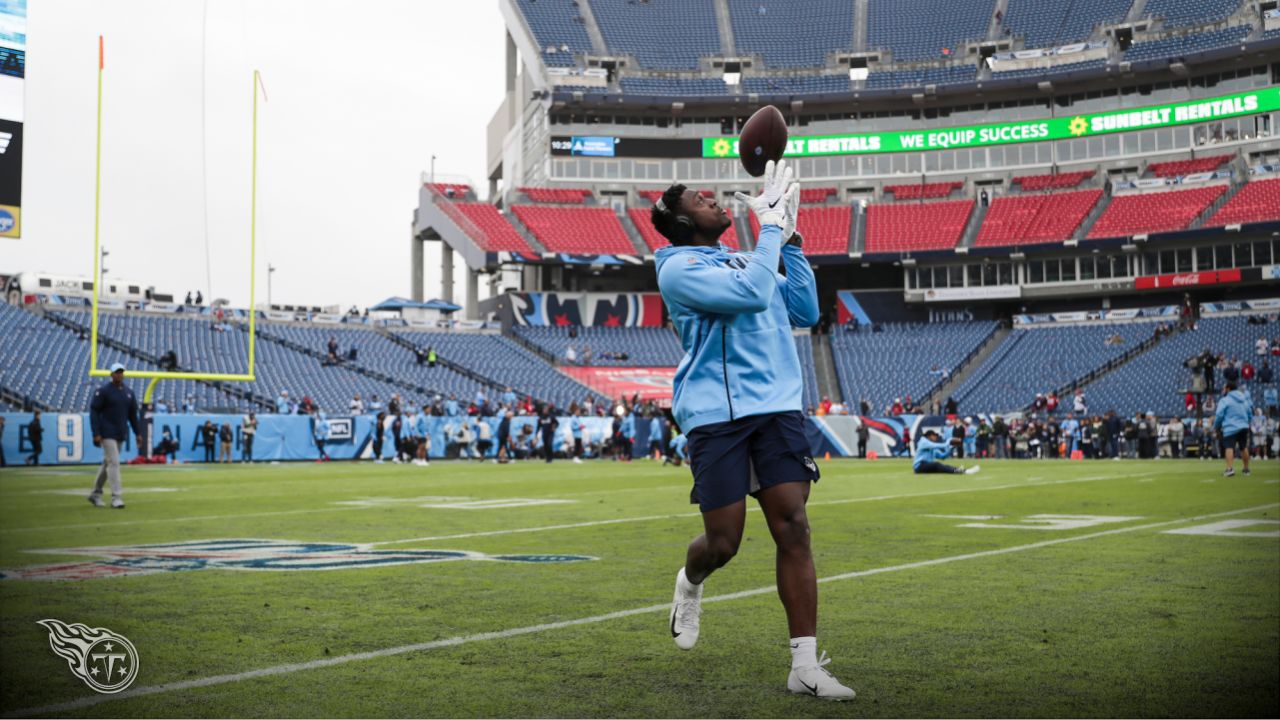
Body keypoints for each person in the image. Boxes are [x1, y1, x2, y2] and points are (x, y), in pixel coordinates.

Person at [651, 162, 853, 699]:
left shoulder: (748, 254)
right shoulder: (676, 267)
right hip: (715, 414)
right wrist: (768, 232)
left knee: (794, 527)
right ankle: (689, 582)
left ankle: (804, 666)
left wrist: (791, 239)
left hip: (776, 408)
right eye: (699, 199)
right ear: (678, 221)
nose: (713, 200)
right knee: (724, 542)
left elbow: (805, 309)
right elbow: (746, 293)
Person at [86, 363, 143, 508]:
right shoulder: (104, 391)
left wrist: (138, 433)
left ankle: (95, 493)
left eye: (121, 372)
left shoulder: (129, 393)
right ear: (111, 374)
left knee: (108, 463)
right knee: (114, 463)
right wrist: (96, 432)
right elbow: (94, 412)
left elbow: (133, 416)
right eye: (116, 372)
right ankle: (116, 497)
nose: (119, 374)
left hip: (120, 433)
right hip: (107, 433)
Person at [1214, 382, 1252, 477]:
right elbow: (1249, 412)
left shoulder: (1225, 400)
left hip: (1230, 427)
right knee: (1243, 447)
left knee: (1229, 447)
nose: (1223, 390)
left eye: (1224, 388)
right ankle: (1246, 469)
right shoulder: (1244, 399)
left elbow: (1219, 415)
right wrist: (1247, 422)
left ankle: (1230, 469)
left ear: (1228, 388)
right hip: (1244, 426)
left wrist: (1216, 426)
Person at [913, 429, 979, 475]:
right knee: (937, 464)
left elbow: (943, 456)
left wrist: (951, 448)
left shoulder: (932, 447)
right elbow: (943, 445)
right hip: (919, 466)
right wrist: (949, 440)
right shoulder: (923, 442)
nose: (936, 437)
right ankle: (962, 471)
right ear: (929, 436)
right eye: (935, 435)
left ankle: (963, 471)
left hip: (926, 466)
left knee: (943, 467)